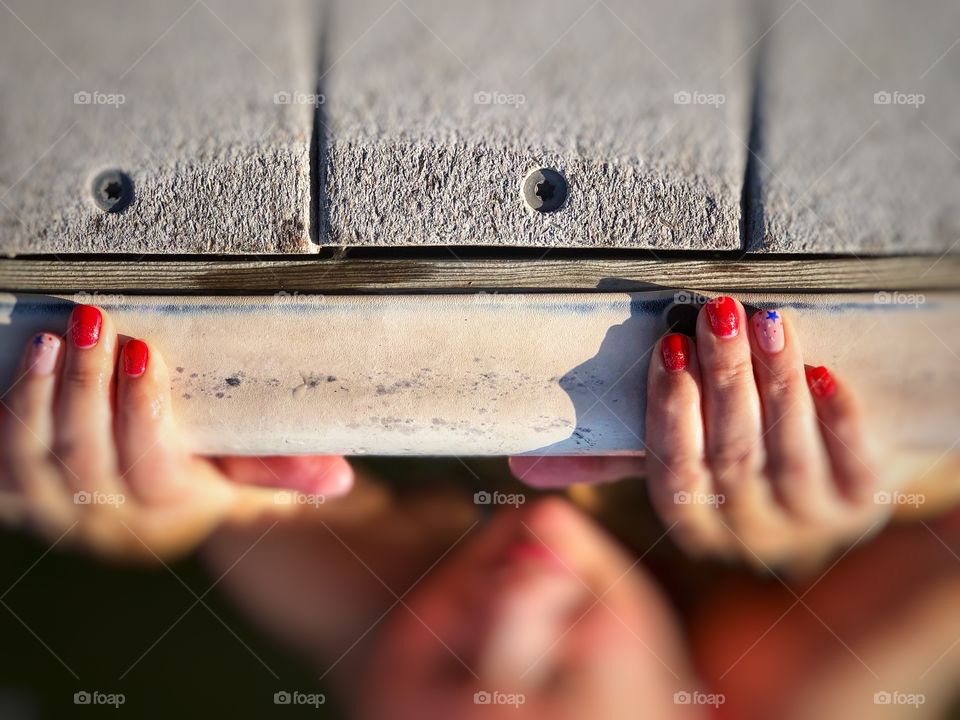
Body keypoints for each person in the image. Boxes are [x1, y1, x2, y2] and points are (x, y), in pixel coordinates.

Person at [1, 300, 957, 719]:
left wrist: (129, 507)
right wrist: (874, 497)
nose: (514, 605)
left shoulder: (355, 610)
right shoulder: (808, 693)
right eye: (568, 676)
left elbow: (225, 503)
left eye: (448, 659)